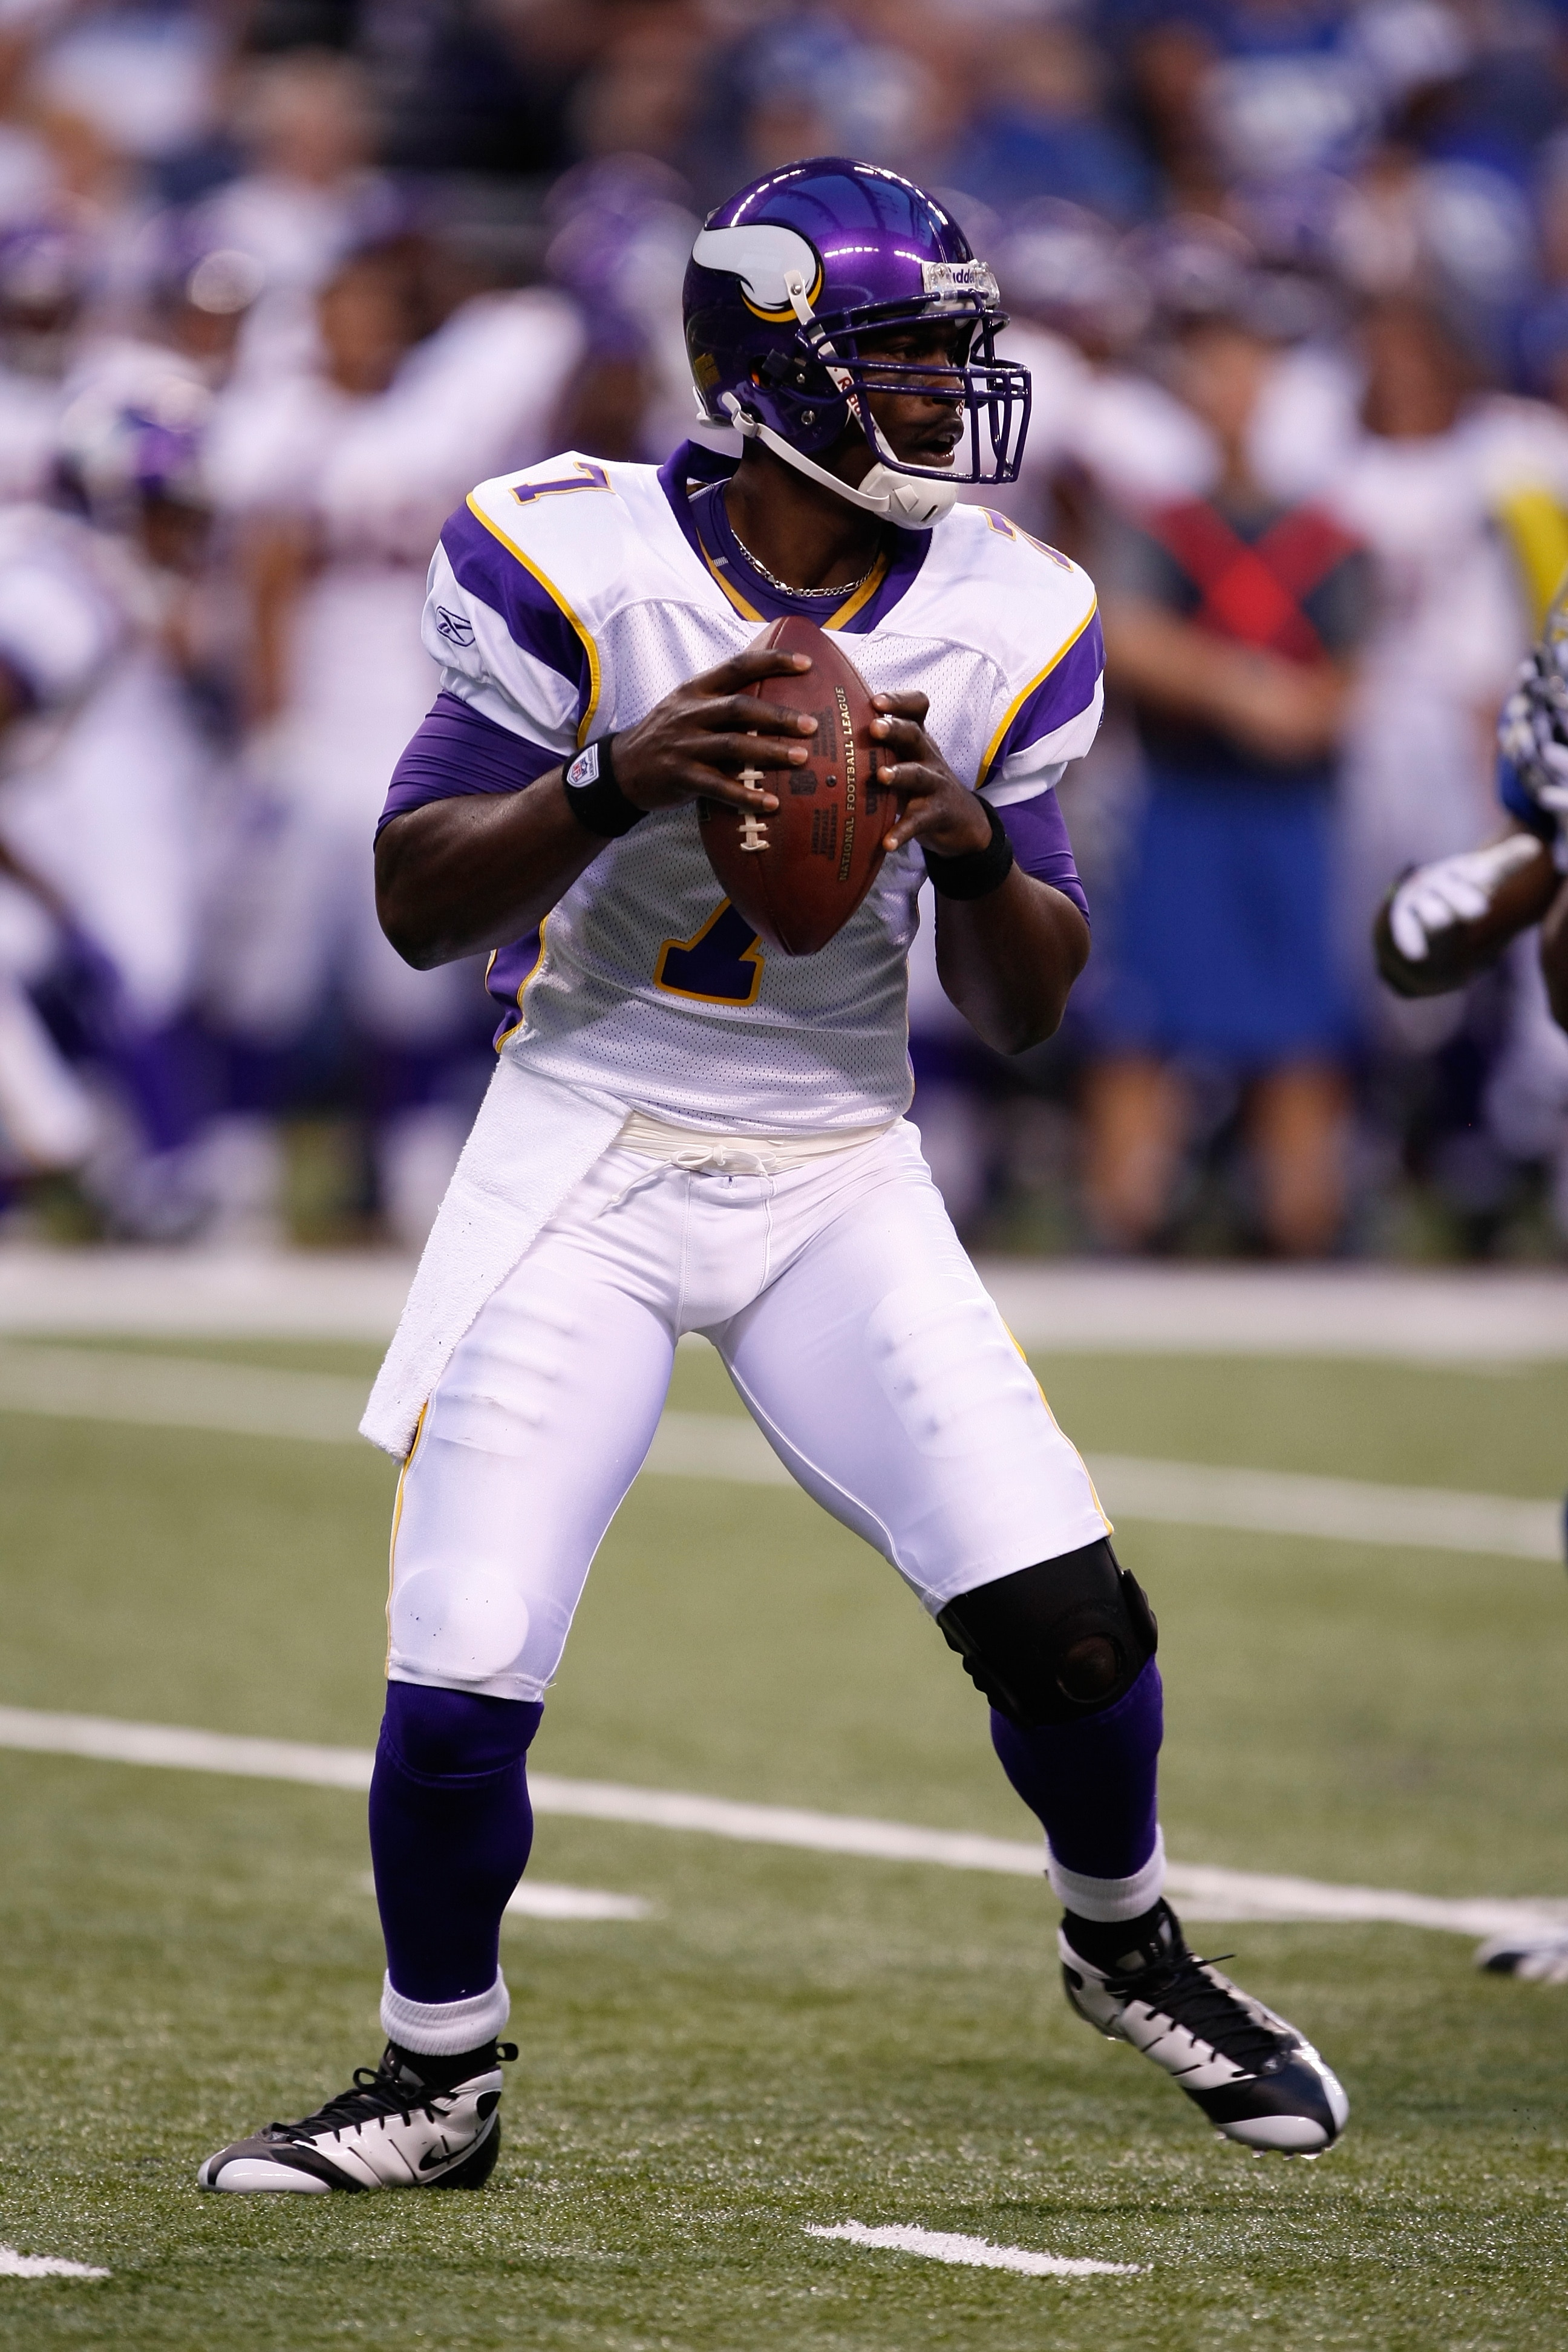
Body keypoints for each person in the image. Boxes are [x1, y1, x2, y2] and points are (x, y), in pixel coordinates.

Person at [196, 157, 1347, 2196]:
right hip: (587, 1141)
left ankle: (1127, 1937)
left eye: (947, 360)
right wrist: (614, 770)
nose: (940, 399)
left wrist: (974, 843)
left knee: (1072, 1620)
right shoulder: (577, 552)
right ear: (766, 371)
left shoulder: (1011, 607)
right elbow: (405, 898)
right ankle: (434, 2073)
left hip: (832, 1161)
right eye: (898, 360)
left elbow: (1022, 1008)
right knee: (464, 1664)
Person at [1083, 288, 1370, 1255]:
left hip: (1289, 814)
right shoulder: (1163, 525)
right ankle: (1123, 1225)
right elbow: (1124, 633)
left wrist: (1303, 708)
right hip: (1183, 803)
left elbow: (1349, 677)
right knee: (1139, 1030)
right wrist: (1243, 690)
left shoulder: (1326, 536)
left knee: (1302, 1039)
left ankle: (1303, 1225)